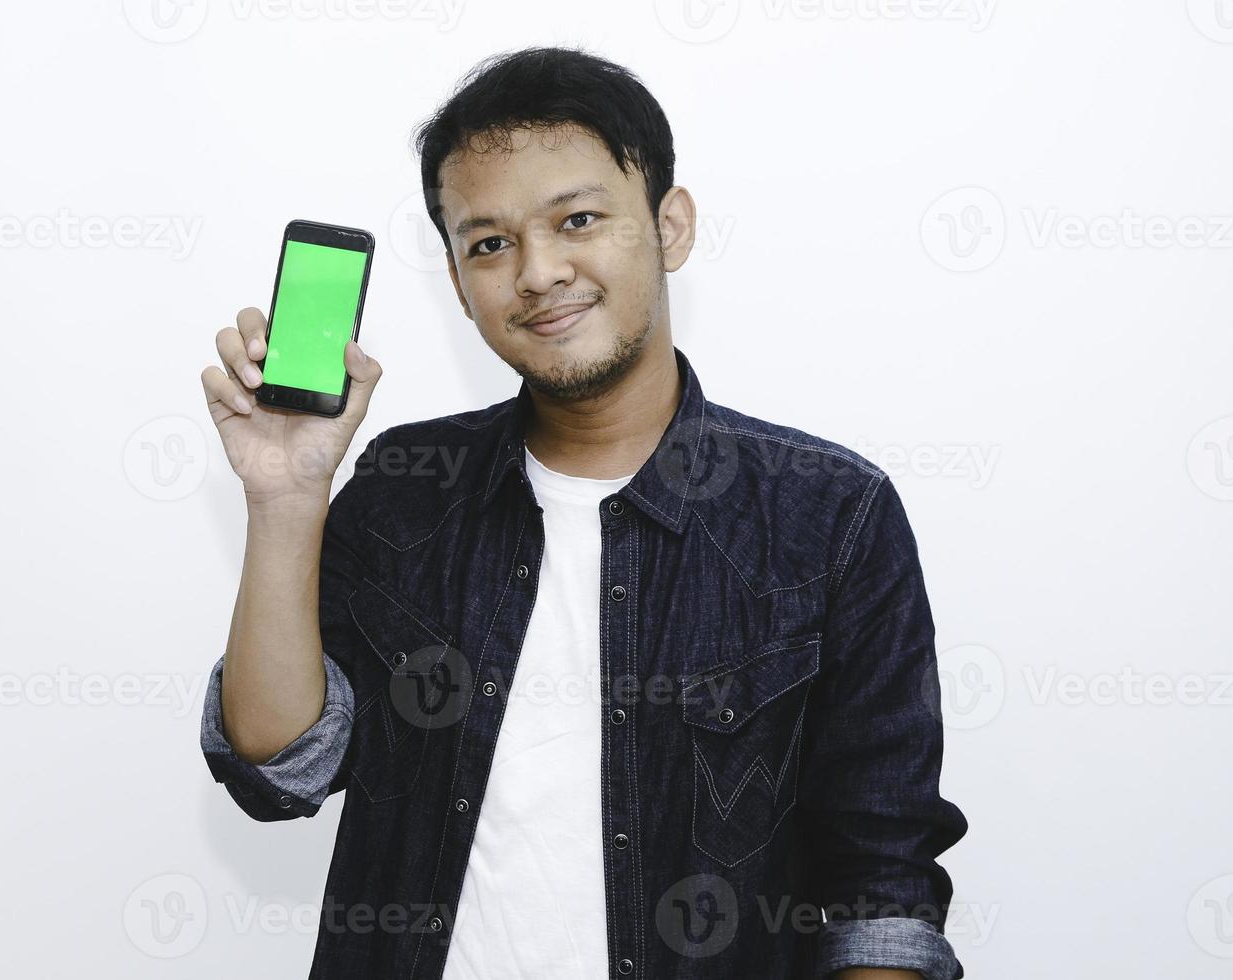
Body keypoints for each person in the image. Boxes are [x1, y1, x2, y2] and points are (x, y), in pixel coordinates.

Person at [198, 44, 967, 980]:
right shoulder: (406, 485)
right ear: (457, 283)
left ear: (670, 225)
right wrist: (284, 503)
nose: (537, 271)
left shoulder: (830, 518)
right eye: (489, 243)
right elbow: (282, 772)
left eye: (579, 219)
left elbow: (880, 894)